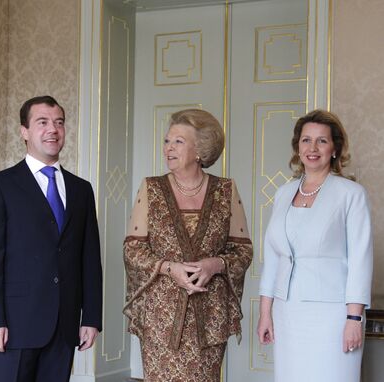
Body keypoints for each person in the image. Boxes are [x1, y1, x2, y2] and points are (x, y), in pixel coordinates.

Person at [0, 95, 103, 381]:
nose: (52, 129)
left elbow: (90, 259)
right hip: (15, 326)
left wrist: (91, 317)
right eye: (42, 122)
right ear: (24, 131)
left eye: (59, 122)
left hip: (65, 325)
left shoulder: (82, 190)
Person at [123, 109, 253, 382]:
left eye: (178, 142)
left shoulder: (226, 190)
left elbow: (243, 250)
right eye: (167, 141)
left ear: (200, 150)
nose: (168, 148)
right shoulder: (151, 188)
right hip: (162, 317)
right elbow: (132, 249)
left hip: (210, 317)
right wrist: (169, 268)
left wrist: (215, 264)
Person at [257, 109, 373, 382]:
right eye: (306, 140)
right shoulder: (283, 193)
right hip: (287, 312)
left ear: (335, 149)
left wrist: (354, 320)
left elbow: (361, 259)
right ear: (297, 147)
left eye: (322, 141)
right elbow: (274, 257)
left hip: (333, 315)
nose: (312, 148)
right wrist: (265, 313)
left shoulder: (351, 194)